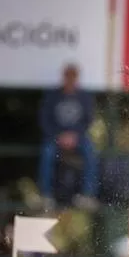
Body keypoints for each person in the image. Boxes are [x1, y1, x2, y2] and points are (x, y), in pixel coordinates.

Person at [37, 62, 99, 209]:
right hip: (55, 136)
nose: (70, 80)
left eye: (73, 77)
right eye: (68, 77)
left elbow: (89, 120)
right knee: (47, 153)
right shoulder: (53, 96)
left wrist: (75, 135)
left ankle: (88, 194)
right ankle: (46, 195)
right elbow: (44, 119)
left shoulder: (85, 97)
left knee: (91, 153)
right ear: (63, 77)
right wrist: (58, 135)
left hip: (78, 137)